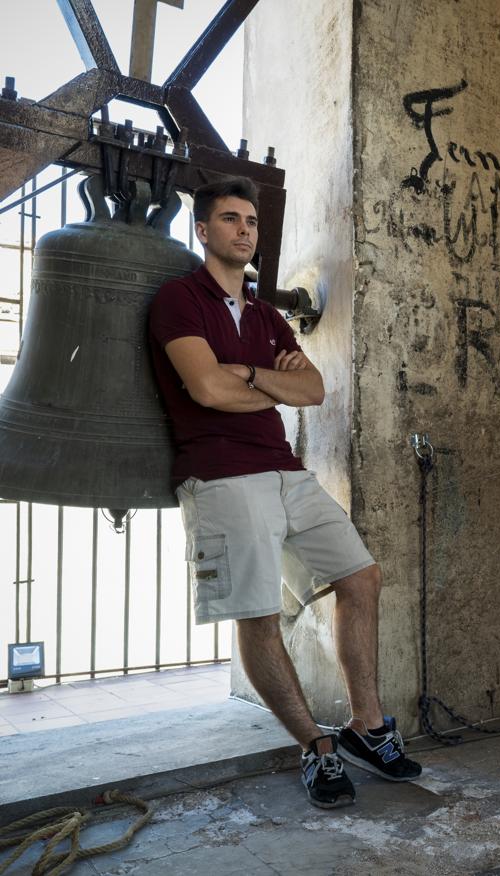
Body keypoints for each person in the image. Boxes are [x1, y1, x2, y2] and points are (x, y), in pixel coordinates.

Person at [148, 176, 421, 808]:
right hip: (220, 474)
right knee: (259, 614)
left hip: (284, 468)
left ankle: (366, 727)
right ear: (204, 230)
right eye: (230, 219)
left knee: (362, 578)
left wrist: (242, 372)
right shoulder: (178, 301)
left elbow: (314, 391)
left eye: (251, 221)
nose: (244, 230)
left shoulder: (268, 314)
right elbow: (206, 392)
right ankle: (315, 748)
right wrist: (267, 381)